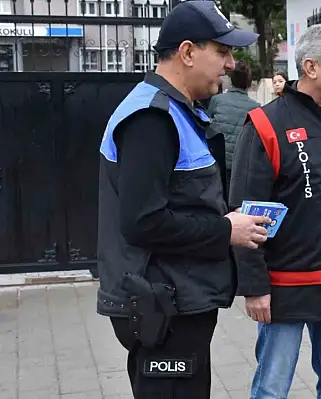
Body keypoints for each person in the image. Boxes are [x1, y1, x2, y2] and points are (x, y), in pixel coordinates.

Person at [96, 2, 271, 398]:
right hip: (163, 302)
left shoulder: (179, 111)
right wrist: (226, 230)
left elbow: (180, 203)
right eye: (222, 52)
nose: (229, 64)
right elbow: (143, 222)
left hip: (177, 298)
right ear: (188, 52)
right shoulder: (151, 120)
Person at [228, 23, 321, 398]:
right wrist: (254, 287)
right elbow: (245, 213)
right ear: (311, 68)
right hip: (286, 288)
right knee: (272, 389)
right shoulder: (265, 124)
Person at [207, 60, 260, 183]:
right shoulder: (256, 108)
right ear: (249, 82)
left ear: (231, 80)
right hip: (239, 165)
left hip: (215, 161)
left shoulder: (217, 100)